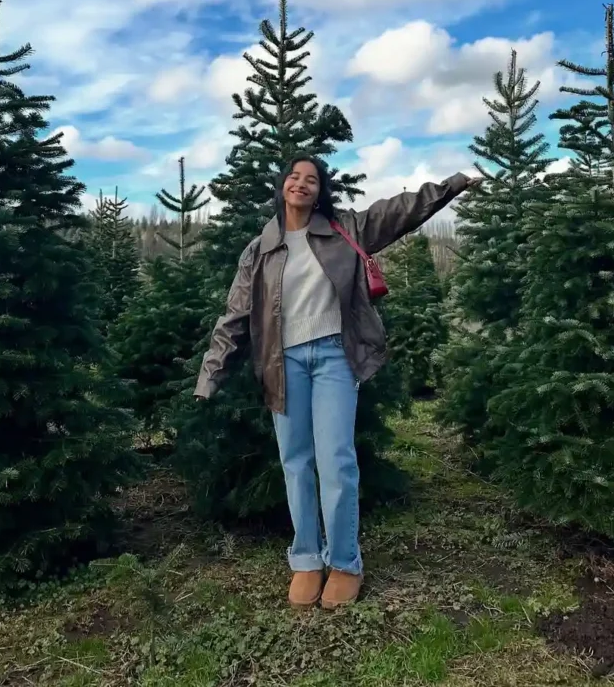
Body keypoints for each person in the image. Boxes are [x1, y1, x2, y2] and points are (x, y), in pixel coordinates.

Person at [194, 154, 479, 611]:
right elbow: (235, 318)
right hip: (283, 363)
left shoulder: (344, 228)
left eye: (312, 179)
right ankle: (306, 558)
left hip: (333, 357)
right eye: (294, 176)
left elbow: (400, 210)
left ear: (320, 190)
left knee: (337, 461)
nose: (302, 184)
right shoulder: (260, 249)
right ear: (283, 185)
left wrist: (453, 184)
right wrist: (209, 377)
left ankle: (345, 562)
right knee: (295, 462)